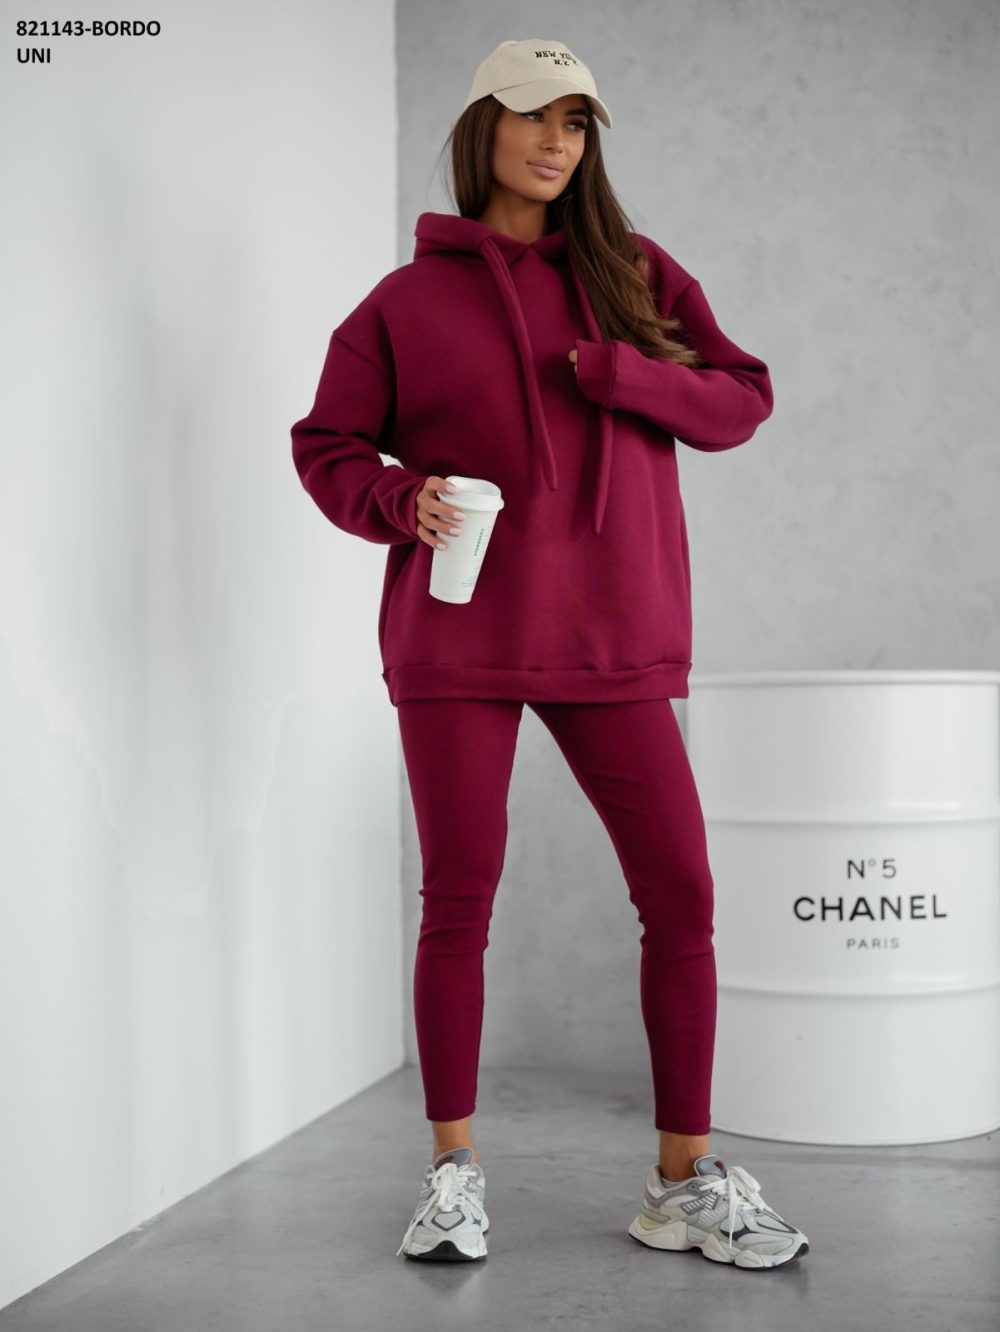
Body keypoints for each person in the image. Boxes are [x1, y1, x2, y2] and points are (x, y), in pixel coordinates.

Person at [290, 37, 809, 1269]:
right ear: (485, 128)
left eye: (576, 123)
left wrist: (629, 375)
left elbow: (741, 397)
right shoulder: (401, 304)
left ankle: (681, 1182)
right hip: (459, 632)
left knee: (680, 893)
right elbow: (326, 446)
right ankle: (452, 1175)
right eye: (533, 115)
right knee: (459, 896)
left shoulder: (634, 273)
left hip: (611, 633)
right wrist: (400, 497)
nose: (555, 142)